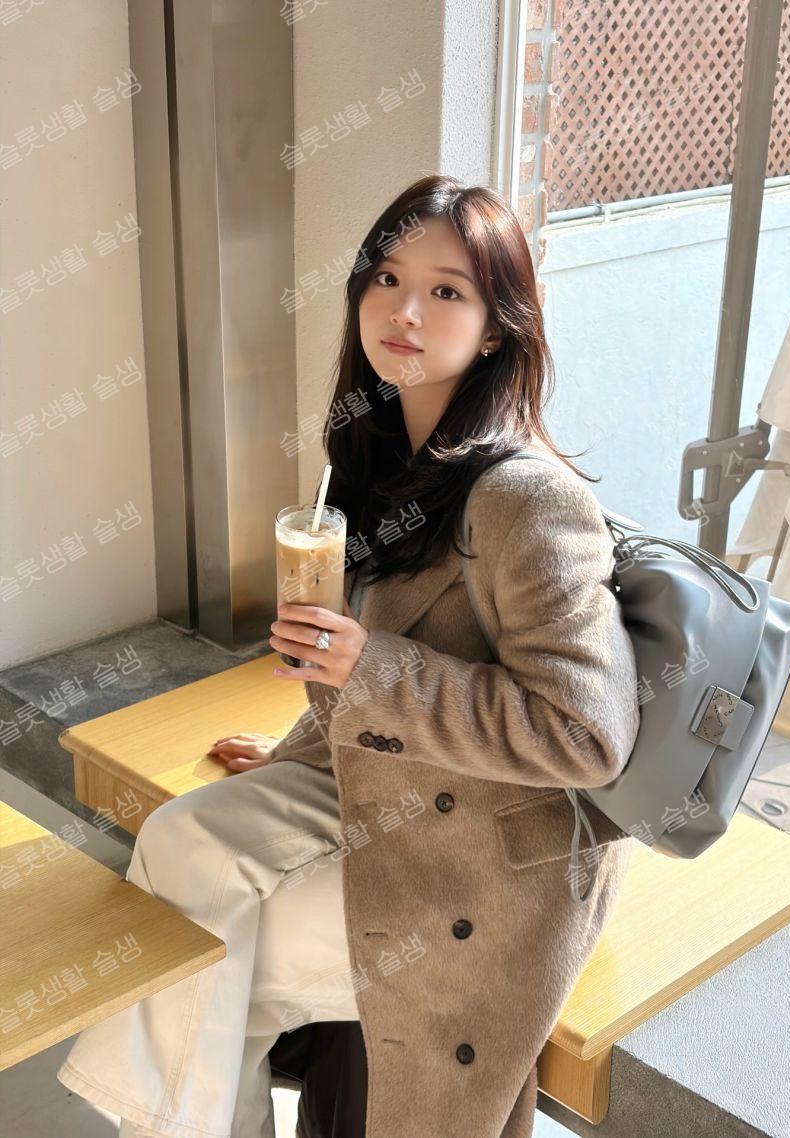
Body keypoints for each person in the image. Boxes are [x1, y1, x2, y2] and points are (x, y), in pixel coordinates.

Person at [56, 172, 640, 1138]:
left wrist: (367, 672)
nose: (405, 311)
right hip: (395, 791)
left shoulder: (528, 500)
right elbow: (376, 673)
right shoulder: (375, 463)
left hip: (495, 860)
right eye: (386, 279)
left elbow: (586, 734)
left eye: (447, 291)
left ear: (496, 329)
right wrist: (305, 744)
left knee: (199, 967)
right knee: (180, 841)